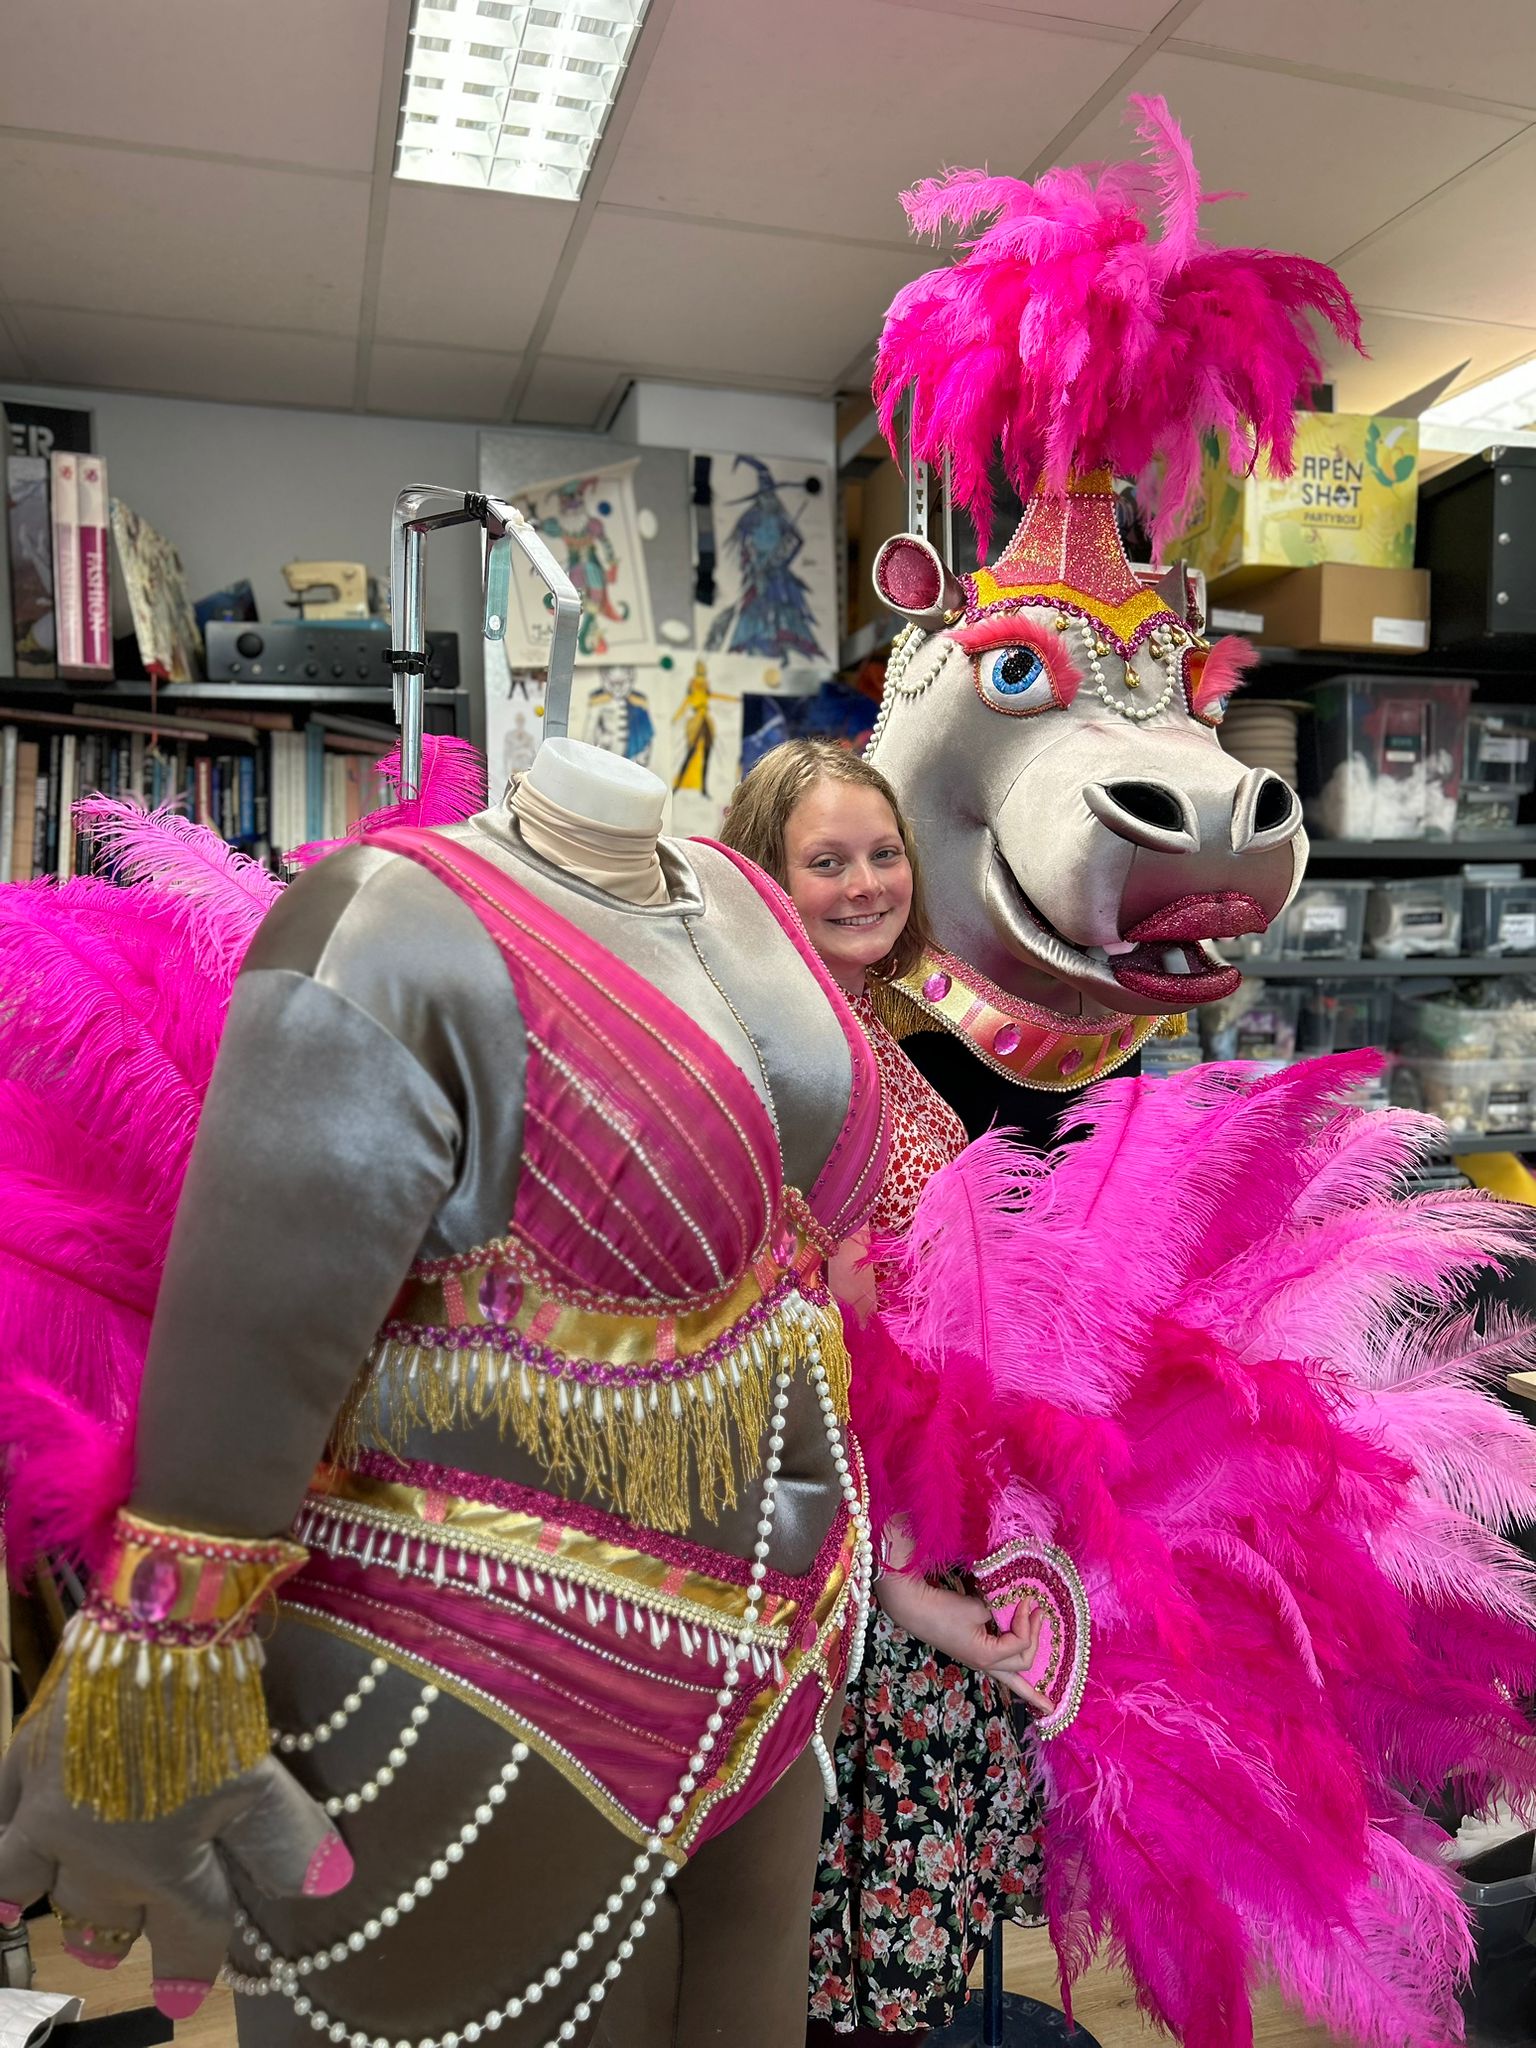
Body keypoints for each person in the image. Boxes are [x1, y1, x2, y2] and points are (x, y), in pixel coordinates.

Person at [719, 739, 1047, 2041]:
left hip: (941, 1530)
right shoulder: (774, 1065)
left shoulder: (882, 1035)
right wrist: (902, 1584)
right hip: (858, 1577)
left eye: (882, 853)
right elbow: (789, 1363)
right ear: (764, 881)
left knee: (922, 1940)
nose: (866, 883)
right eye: (826, 861)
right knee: (849, 1951)